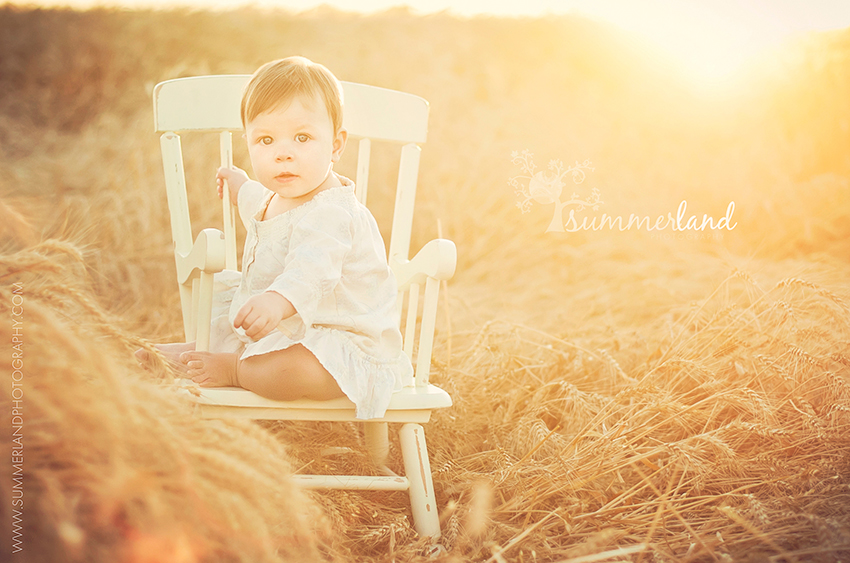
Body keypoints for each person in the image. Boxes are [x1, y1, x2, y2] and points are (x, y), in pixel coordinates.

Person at [143, 56, 412, 420]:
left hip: (344, 342)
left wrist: (278, 300)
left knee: (294, 370)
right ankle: (189, 356)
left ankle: (234, 370)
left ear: (335, 145)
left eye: (302, 138)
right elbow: (259, 202)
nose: (283, 152)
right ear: (250, 144)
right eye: (266, 140)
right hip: (290, 328)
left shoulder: (331, 213)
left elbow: (313, 270)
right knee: (235, 323)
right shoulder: (277, 197)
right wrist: (240, 187)